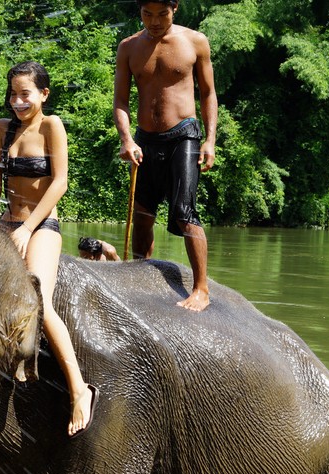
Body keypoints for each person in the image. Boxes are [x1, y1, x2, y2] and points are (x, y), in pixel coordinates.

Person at [0, 61, 96, 437]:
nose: (17, 101)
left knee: (39, 300)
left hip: (41, 226)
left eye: (25, 94)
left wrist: (28, 228)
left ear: (43, 95)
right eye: (12, 94)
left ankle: (79, 389)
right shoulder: (2, 129)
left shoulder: (52, 126)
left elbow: (60, 183)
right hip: (7, 226)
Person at [114, 0, 218, 312]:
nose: (155, 21)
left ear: (175, 10)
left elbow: (208, 93)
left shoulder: (195, 42)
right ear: (140, 12)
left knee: (184, 211)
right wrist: (127, 138)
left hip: (184, 135)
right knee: (143, 214)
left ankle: (201, 288)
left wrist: (210, 140)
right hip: (146, 138)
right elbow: (121, 100)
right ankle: (139, 278)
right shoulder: (128, 47)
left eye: (162, 14)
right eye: (148, 14)